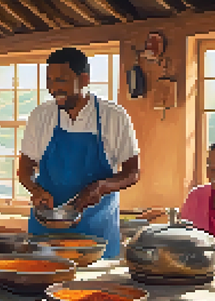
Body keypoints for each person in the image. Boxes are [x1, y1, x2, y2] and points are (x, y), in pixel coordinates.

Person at [18, 47, 141, 259]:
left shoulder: (114, 116)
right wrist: (36, 190)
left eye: (62, 80)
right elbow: (25, 170)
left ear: (84, 79)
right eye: (49, 80)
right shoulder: (40, 116)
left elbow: (133, 172)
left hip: (97, 233)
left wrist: (102, 187)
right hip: (47, 233)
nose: (54, 88)